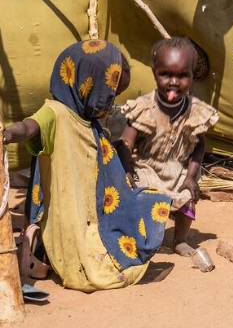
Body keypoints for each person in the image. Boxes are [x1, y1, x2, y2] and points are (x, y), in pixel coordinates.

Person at [3, 40, 171, 292]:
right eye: (109, 93)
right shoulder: (56, 113)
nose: (111, 100)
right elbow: (29, 127)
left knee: (146, 206)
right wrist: (7, 134)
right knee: (95, 263)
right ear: (87, 83)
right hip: (71, 212)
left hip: (93, 209)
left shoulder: (89, 121)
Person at [118, 37, 219, 257]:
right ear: (155, 73)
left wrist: (191, 176)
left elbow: (199, 147)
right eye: (166, 74)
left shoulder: (196, 111)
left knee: (187, 197)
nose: (174, 82)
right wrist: (126, 169)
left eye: (183, 75)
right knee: (144, 197)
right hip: (147, 167)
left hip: (179, 167)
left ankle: (179, 239)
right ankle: (142, 238)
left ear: (193, 76)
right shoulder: (145, 107)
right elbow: (126, 141)